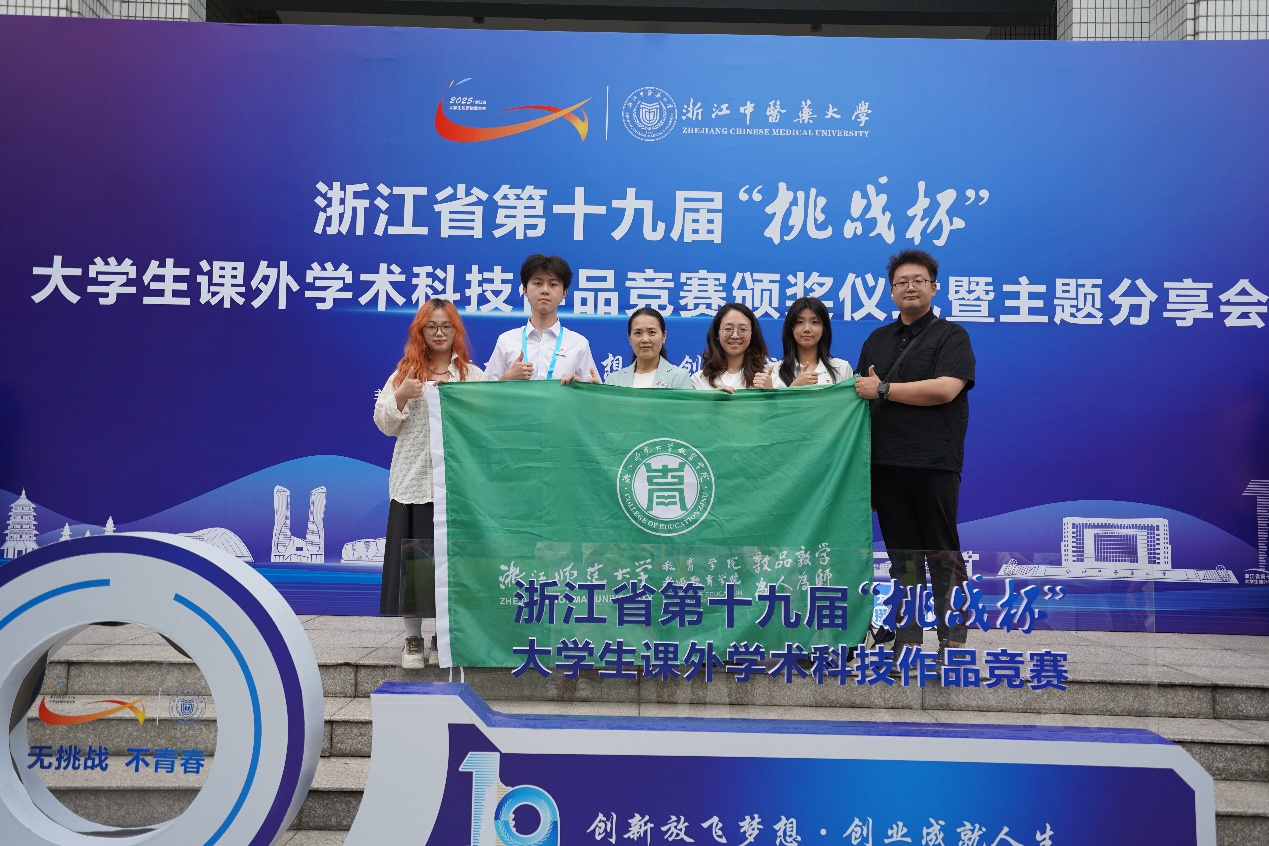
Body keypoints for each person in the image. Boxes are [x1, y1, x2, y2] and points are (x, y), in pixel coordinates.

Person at [853, 249, 976, 660]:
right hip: (885, 464)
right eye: (901, 282)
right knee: (902, 557)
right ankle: (907, 641)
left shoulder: (951, 336)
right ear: (891, 291)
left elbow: (945, 389)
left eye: (918, 280)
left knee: (942, 551)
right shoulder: (876, 340)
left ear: (934, 287)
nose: (910, 287)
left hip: (934, 462)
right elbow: (858, 396)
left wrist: (884, 389)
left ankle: (953, 641)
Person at [373, 299, 486, 669]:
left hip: (455, 487)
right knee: (415, 564)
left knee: (449, 565)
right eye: (431, 327)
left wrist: (510, 381)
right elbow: (385, 424)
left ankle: (442, 635)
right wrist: (402, 395)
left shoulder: (471, 375)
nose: (439, 333)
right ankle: (413, 638)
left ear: (456, 332)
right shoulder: (406, 373)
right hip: (414, 484)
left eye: (446, 326)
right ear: (420, 332)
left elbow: (489, 419)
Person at [484, 254, 599, 383]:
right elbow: (487, 392)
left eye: (553, 284)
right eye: (538, 283)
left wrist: (580, 387)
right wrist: (507, 378)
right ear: (525, 290)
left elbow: (594, 389)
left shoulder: (578, 344)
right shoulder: (506, 341)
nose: (545, 290)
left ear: (564, 293)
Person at [770, 296, 852, 388]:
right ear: (791, 328)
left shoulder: (841, 369)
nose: (807, 329)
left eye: (814, 322)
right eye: (800, 322)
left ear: (824, 329)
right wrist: (795, 387)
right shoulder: (775, 371)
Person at [690, 303, 773, 392]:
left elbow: (781, 401)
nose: (735, 336)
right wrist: (712, 399)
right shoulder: (699, 380)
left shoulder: (767, 377)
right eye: (728, 329)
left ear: (752, 335)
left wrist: (770, 393)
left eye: (742, 329)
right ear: (717, 334)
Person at [605, 307, 692, 388]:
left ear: (664, 336)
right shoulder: (614, 380)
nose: (645, 339)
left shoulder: (678, 377)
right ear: (630, 339)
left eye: (652, 332)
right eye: (638, 333)